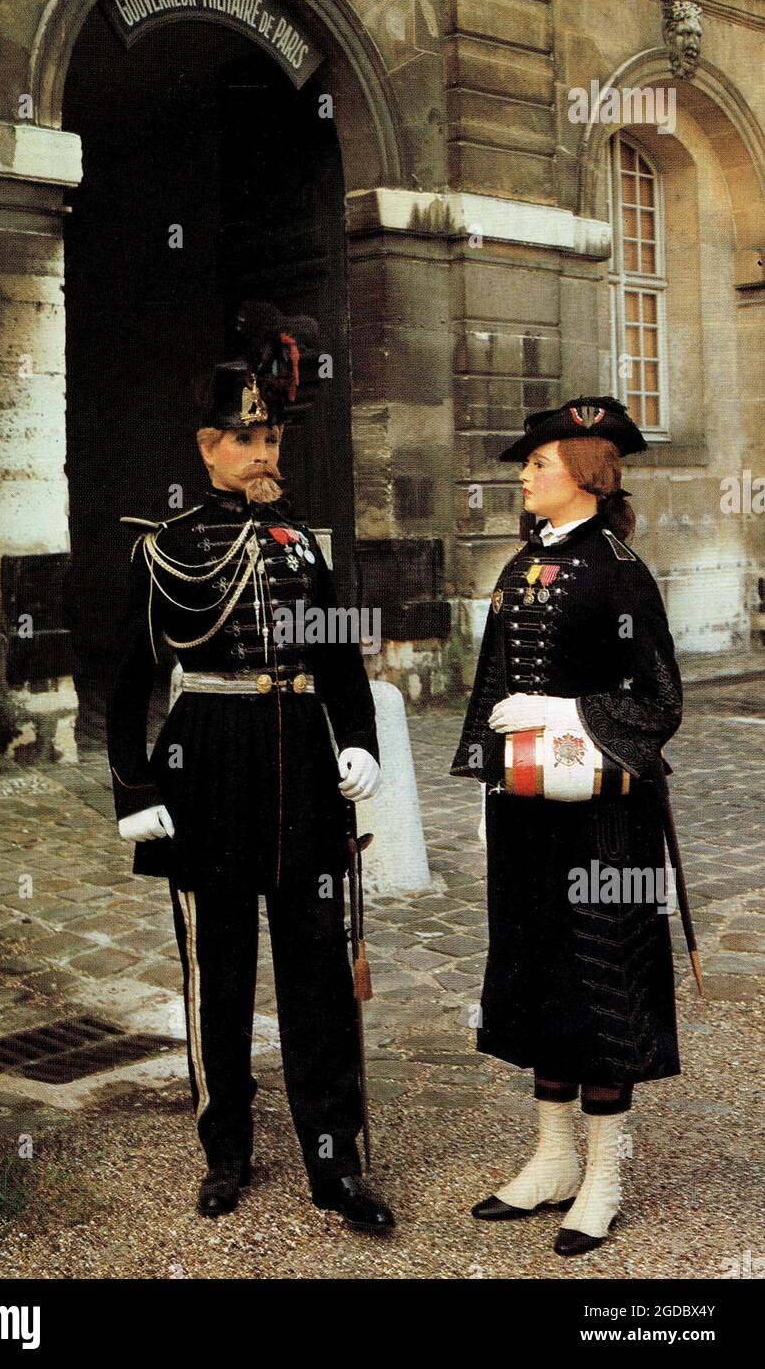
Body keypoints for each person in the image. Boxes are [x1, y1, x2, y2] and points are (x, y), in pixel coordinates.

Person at [105, 302, 394, 1233]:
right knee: (218, 976)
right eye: (247, 438)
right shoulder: (166, 549)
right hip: (209, 768)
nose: (266, 452)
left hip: (302, 774)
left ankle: (333, 1162)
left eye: (271, 436)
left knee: (314, 973)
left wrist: (359, 740)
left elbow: (342, 657)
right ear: (208, 447)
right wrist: (136, 788)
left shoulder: (307, 544)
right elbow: (129, 682)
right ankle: (226, 1149)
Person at [450, 396, 683, 1256]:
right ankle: (551, 1159)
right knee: (534, 969)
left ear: (584, 476)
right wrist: (489, 784)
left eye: (538, 465)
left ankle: (605, 1176)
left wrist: (563, 710)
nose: (523, 477)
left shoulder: (622, 571)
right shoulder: (521, 564)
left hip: (605, 824)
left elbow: (660, 701)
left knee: (603, 979)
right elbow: (488, 685)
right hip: (527, 814)